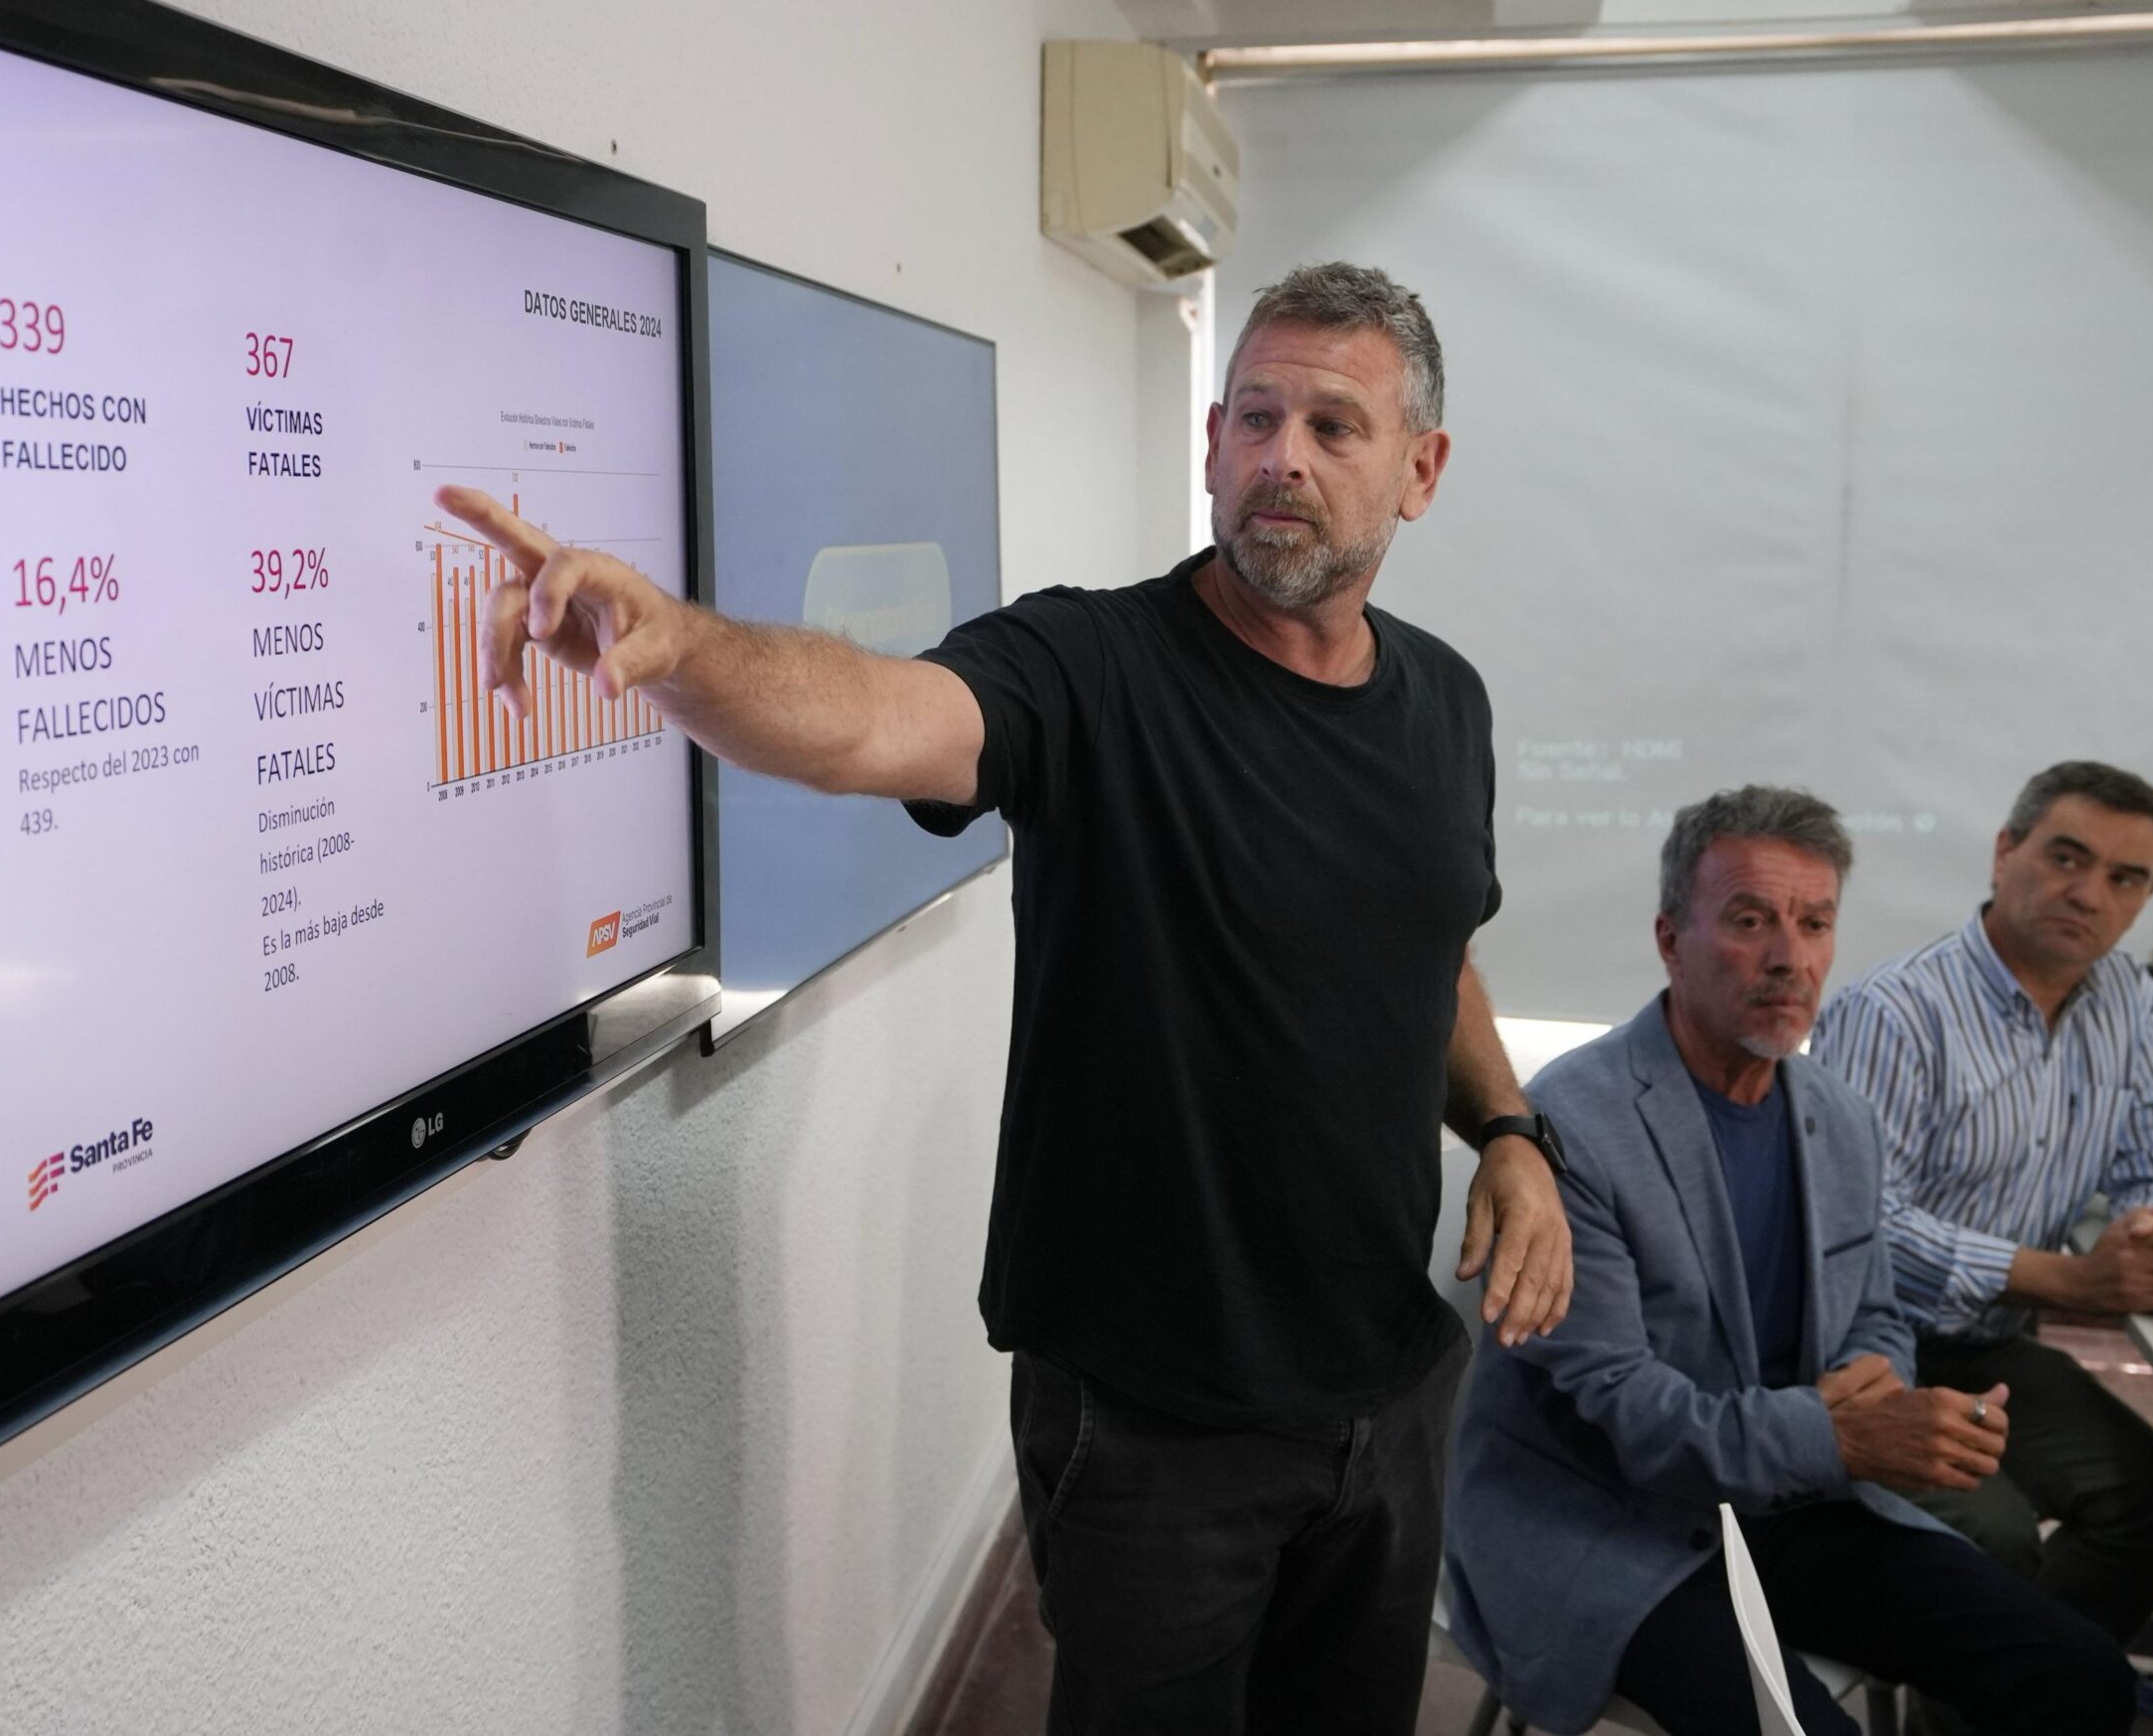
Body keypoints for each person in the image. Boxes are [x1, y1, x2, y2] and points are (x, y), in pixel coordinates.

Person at [438, 260, 1574, 1736]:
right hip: (1155, 1423)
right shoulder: (1091, 665)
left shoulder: (1448, 703)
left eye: (1333, 426)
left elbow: (1436, 945)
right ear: (1211, 443)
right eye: (1255, 416)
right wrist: (682, 648)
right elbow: (873, 720)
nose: (1282, 456)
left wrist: (1509, 1130)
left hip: (1391, 1388)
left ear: (1419, 470)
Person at [1446, 787, 2135, 1736]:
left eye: (1814, 923)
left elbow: (1876, 1309)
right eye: (1749, 920)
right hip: (1608, 1520)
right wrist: (1840, 1435)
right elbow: (1634, 1419)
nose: (1789, 956)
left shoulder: (1838, 1114)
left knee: (2080, 1672)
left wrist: (1877, 1380)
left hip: (1789, 1503)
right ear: (1670, 939)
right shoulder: (1570, 1125)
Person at [1812, 761, 2153, 1644]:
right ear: (2006, 852)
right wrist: (2068, 1279)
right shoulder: (1894, 1010)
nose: (2090, 893)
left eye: (2125, 878)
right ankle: (2009, 1681)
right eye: (2066, 858)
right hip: (1856, 1348)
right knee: (1995, 1541)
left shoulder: (2126, 997)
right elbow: (1860, 1225)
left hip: (1987, 1346)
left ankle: (2014, 1687)